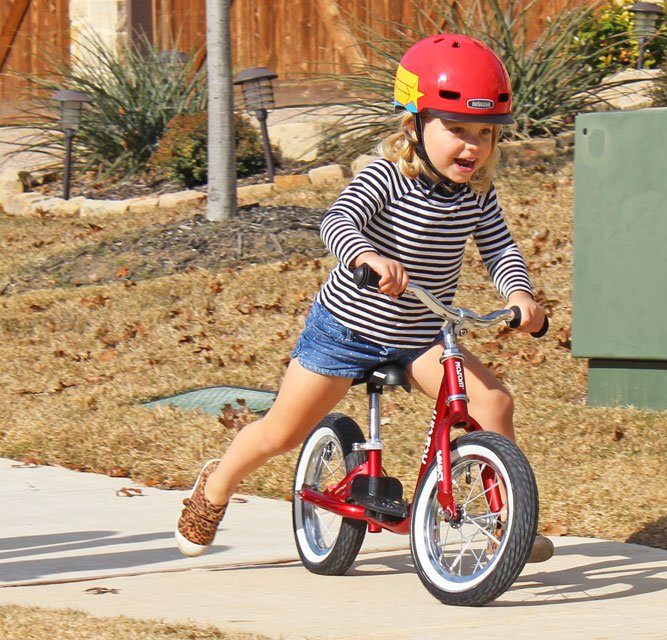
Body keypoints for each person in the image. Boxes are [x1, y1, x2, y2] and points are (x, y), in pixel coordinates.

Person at [175, 33, 553, 564]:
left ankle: (505, 520)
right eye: (458, 130)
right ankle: (216, 484)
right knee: (282, 433)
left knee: (494, 402)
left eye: (486, 135)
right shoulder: (387, 177)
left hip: (421, 333)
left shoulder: (476, 193)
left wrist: (520, 294)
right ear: (415, 125)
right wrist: (366, 258)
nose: (473, 146)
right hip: (347, 331)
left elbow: (499, 246)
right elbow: (338, 221)